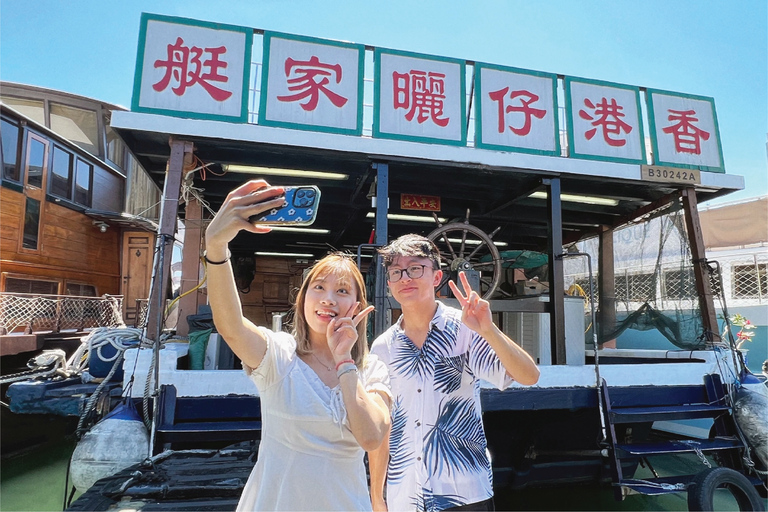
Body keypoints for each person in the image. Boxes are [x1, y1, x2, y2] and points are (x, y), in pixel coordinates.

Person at [205, 179, 392, 511]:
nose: (328, 299)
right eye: (318, 287)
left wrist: (344, 360)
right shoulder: (279, 355)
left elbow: (371, 437)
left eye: (343, 291)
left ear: (358, 306)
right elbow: (231, 327)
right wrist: (216, 248)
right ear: (303, 298)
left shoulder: (371, 368)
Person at [368, 234, 540, 512]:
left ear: (436, 277)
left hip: (465, 493)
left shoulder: (465, 329)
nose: (405, 278)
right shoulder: (383, 347)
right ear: (388, 284)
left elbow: (529, 376)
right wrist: (377, 495)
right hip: (405, 497)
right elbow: (382, 426)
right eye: (396, 272)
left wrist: (489, 329)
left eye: (415, 268)